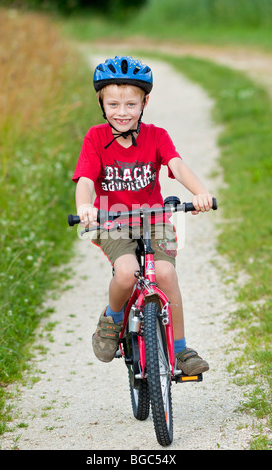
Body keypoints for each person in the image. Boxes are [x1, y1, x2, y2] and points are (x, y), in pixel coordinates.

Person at [72, 56, 212, 375]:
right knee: (125, 273)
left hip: (154, 218)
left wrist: (199, 192)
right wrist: (85, 207)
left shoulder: (156, 136)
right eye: (114, 104)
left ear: (144, 102)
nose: (122, 112)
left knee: (165, 274)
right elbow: (84, 180)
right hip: (112, 221)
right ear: (101, 104)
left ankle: (180, 350)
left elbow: (176, 165)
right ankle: (113, 318)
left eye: (131, 104)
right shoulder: (95, 138)